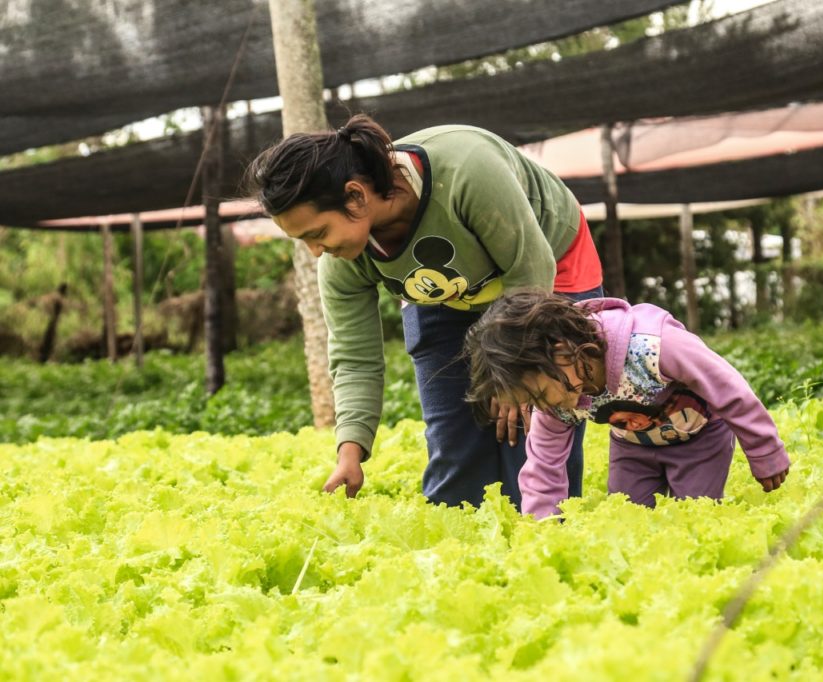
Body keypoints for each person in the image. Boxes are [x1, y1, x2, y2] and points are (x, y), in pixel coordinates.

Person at [244, 114, 603, 508]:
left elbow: (529, 268)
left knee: (533, 430)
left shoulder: (467, 169)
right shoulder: (342, 260)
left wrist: (515, 369)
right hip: (444, 291)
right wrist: (350, 452)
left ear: (356, 196)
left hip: (545, 268)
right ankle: (461, 552)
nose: (314, 251)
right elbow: (354, 358)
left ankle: (549, 535)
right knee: (455, 442)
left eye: (318, 233)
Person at [463, 290, 790, 519]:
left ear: (561, 351)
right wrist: (541, 528)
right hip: (632, 449)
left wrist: (764, 451)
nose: (540, 408)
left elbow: (727, 387)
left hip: (699, 442)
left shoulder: (653, 345)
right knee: (628, 521)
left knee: (696, 517)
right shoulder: (557, 396)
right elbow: (544, 464)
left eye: (537, 396)